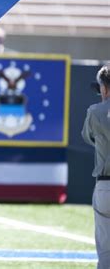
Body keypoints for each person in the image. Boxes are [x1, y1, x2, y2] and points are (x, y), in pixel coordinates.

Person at [81, 64, 110, 269]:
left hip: (106, 186)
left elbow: (88, 137)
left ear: (105, 89)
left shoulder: (95, 111)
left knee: (106, 253)